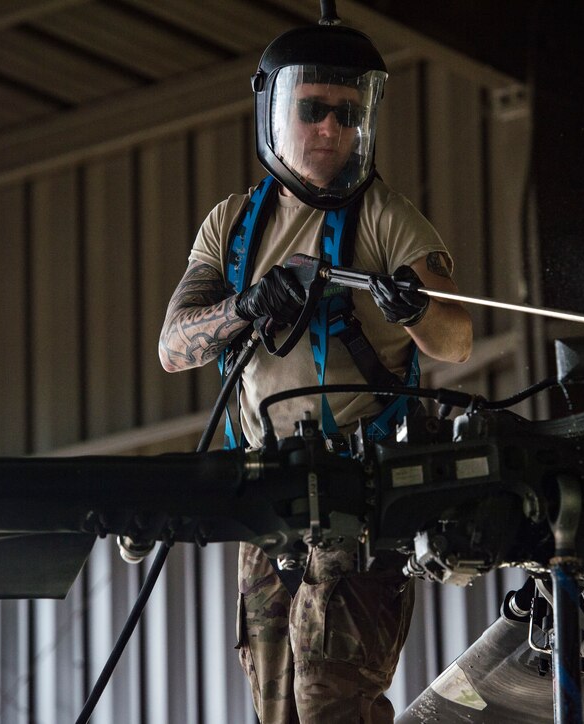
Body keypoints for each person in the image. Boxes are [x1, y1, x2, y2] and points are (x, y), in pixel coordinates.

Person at [158, 18, 472, 724]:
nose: (330, 128)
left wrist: (415, 308)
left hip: (359, 491)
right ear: (274, 110)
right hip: (267, 491)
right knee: (274, 707)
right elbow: (175, 347)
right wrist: (247, 304)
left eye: (347, 113)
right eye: (312, 109)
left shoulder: (390, 219)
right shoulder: (232, 224)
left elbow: (456, 340)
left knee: (331, 700)